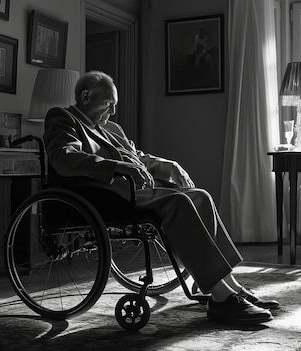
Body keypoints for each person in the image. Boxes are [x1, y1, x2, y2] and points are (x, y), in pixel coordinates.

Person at [43, 70, 279, 325]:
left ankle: (228, 285)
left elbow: (137, 156)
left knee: (200, 196)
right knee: (180, 203)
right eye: (108, 104)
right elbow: (64, 157)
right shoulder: (63, 118)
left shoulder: (110, 128)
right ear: (86, 96)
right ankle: (221, 298)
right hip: (106, 195)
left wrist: (169, 165)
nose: (112, 112)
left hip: (136, 190)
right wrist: (115, 167)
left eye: (114, 106)